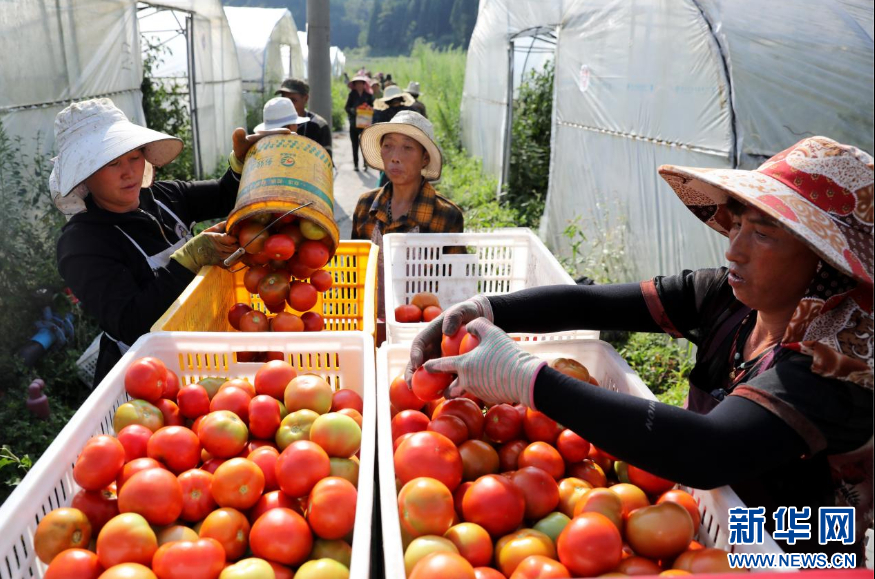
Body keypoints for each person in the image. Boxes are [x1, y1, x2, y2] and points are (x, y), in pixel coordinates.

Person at [408, 136, 873, 557]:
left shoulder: (838, 362)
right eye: (738, 224)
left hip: (798, 554)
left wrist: (531, 381)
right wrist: (485, 308)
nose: (734, 248)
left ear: (825, 261)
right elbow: (590, 304)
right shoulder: (729, 298)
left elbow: (708, 450)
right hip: (708, 534)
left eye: (764, 233)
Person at [53, 98, 268, 385]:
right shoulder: (83, 245)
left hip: (200, 351)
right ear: (85, 176)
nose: (129, 172)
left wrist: (240, 165)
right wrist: (187, 260)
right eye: (113, 163)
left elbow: (224, 195)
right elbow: (132, 323)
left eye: (134, 156)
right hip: (145, 378)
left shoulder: (165, 197)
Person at [351, 111, 464, 321]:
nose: (395, 156)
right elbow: (355, 273)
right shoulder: (366, 205)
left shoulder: (446, 215)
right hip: (371, 322)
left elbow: (455, 288)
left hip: (421, 326)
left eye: (407, 147)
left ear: (425, 158)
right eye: (388, 146)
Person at [275, 78, 332, 158]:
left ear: (305, 98)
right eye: (284, 100)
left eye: (293, 100)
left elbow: (326, 161)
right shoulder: (274, 124)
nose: (288, 105)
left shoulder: (319, 125)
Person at [345, 74, 374, 172]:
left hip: (365, 124)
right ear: (354, 85)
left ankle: (366, 164)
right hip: (354, 123)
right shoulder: (351, 95)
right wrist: (354, 110)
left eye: (360, 83)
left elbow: (374, 107)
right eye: (356, 84)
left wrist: (369, 109)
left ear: (363, 84)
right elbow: (347, 108)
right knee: (354, 144)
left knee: (365, 145)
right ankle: (356, 164)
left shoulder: (368, 96)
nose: (359, 85)